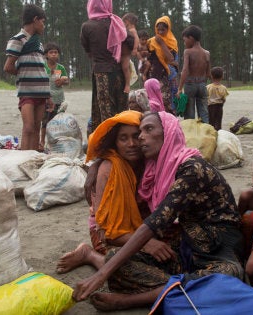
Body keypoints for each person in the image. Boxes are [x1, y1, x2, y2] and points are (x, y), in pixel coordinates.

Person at [72, 111, 243, 311]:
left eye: (148, 129)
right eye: (140, 131)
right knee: (115, 259)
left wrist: (101, 275)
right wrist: (98, 164)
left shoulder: (192, 169)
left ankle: (132, 299)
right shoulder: (156, 167)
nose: (140, 137)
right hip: (189, 250)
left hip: (219, 253)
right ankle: (183, 286)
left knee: (226, 277)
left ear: (168, 133)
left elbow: (155, 222)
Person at [55, 110, 176, 274]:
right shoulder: (109, 169)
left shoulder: (149, 161)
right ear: (115, 143)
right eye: (123, 138)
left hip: (141, 227)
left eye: (135, 136)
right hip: (109, 235)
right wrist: (147, 243)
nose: (132, 144)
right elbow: (108, 232)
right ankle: (90, 255)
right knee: (140, 268)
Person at [4, 4, 52, 150]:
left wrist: (48, 95)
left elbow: (41, 69)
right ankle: (23, 159)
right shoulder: (17, 40)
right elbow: (8, 67)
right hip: (27, 92)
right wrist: (25, 76)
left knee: (37, 127)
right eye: (43, 22)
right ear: (35, 20)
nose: (44, 26)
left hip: (42, 92)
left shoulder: (39, 44)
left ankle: (33, 157)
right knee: (29, 127)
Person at [80, 0, 128, 135]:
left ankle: (106, 144)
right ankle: (124, 141)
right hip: (120, 72)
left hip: (101, 72)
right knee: (122, 109)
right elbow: (128, 43)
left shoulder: (87, 26)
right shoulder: (116, 22)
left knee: (104, 110)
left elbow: (87, 49)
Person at [176, 25, 210, 123]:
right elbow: (208, 72)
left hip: (190, 85)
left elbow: (185, 70)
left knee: (189, 114)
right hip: (202, 84)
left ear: (190, 38)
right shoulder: (207, 53)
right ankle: (205, 132)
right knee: (204, 112)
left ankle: (190, 135)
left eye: (184, 40)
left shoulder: (188, 52)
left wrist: (179, 89)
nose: (184, 42)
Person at [145, 16, 179, 113]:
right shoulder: (151, 41)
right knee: (152, 101)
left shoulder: (172, 42)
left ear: (168, 29)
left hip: (165, 76)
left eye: (163, 30)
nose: (160, 32)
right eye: (158, 29)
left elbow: (171, 58)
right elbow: (145, 55)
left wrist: (162, 44)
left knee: (165, 101)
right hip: (152, 76)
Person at [40, 42, 69, 151]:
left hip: (59, 99)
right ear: (46, 55)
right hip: (46, 98)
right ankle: (42, 141)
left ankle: (56, 142)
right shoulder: (42, 66)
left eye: (56, 52)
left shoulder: (60, 68)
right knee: (45, 121)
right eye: (51, 52)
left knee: (58, 122)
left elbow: (67, 81)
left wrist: (63, 80)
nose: (54, 55)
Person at [206, 66, 228, 130]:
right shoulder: (223, 88)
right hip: (219, 107)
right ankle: (218, 132)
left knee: (210, 121)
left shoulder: (208, 87)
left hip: (210, 107)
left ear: (211, 76)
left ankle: (211, 133)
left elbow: (205, 98)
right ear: (222, 77)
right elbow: (224, 99)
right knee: (218, 121)